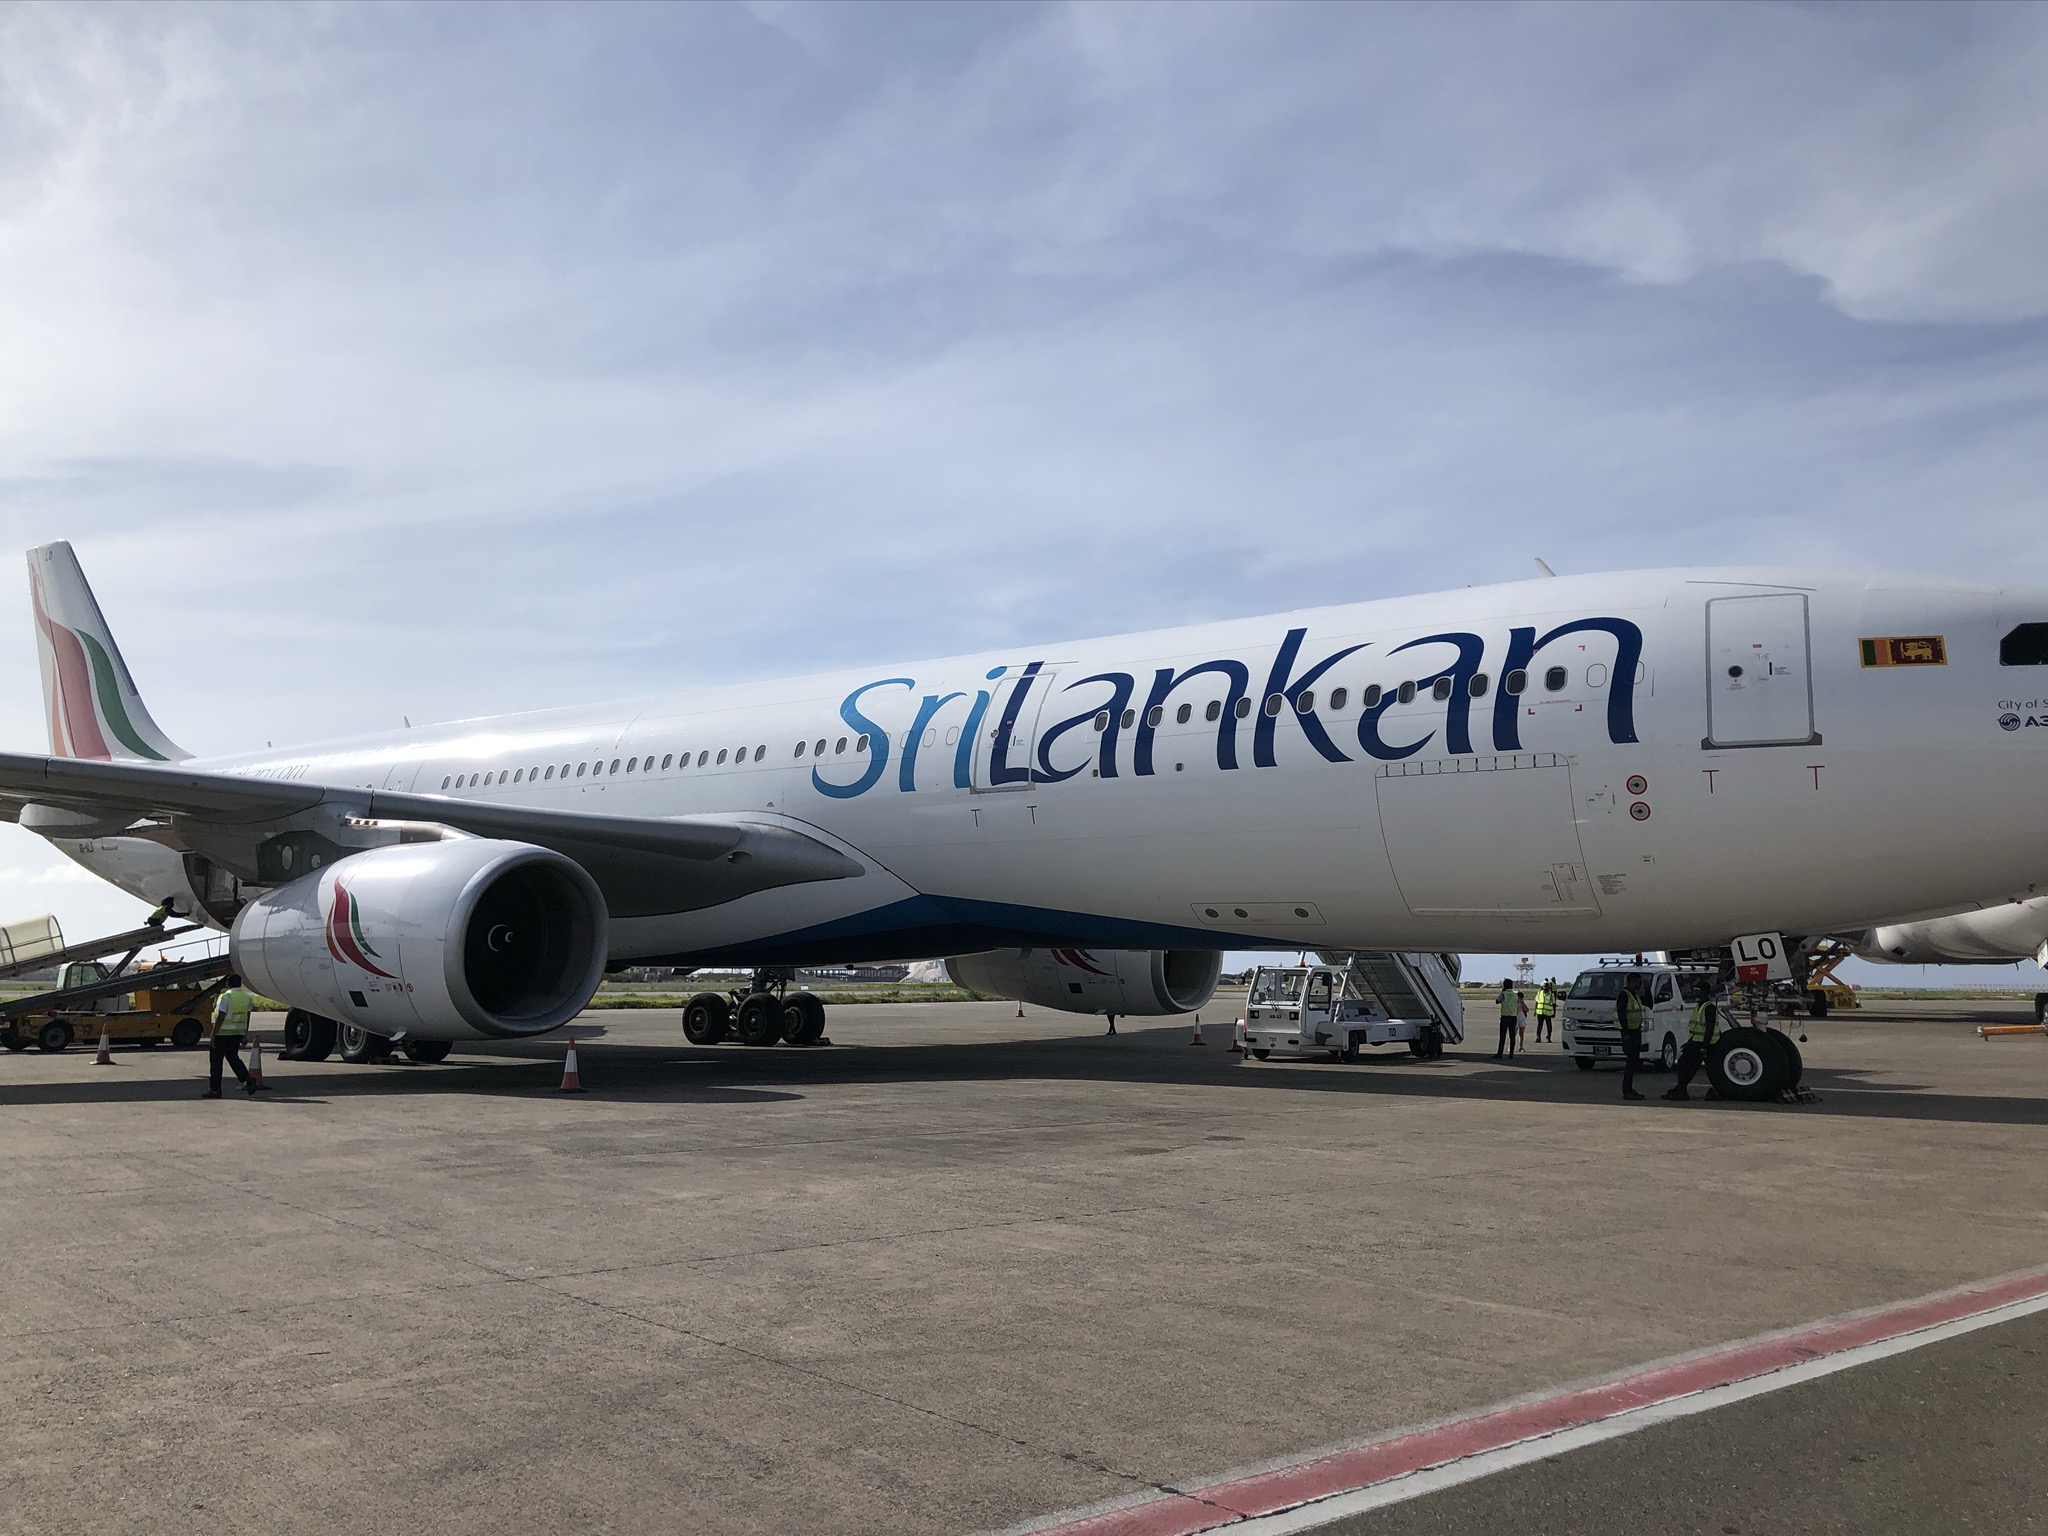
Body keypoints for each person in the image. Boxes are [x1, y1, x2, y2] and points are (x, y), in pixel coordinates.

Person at [204, 973, 266, 1098]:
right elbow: (247, 1016)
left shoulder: (225, 997)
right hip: (237, 1032)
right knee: (233, 1058)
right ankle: (248, 1080)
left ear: (228, 984)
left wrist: (213, 1035)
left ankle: (215, 1090)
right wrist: (244, 1034)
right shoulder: (247, 997)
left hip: (222, 1033)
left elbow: (220, 1017)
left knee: (216, 1063)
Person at [1664, 994, 1722, 1102]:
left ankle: (1681, 1091)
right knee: (1686, 1066)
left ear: (1706, 992)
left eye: (1699, 990)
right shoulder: (1699, 1006)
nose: (1696, 993)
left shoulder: (1709, 1007)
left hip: (1705, 1043)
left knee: (1687, 1066)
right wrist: (1689, 1042)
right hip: (1696, 1041)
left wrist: (1704, 1047)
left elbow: (1709, 1028)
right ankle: (1680, 1089)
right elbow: (1697, 1028)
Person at [1615, 979, 1647, 1100]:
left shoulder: (1635, 996)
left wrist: (1648, 989)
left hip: (1635, 1031)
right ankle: (1627, 1090)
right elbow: (1621, 1014)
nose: (1640, 985)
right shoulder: (1624, 995)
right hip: (1629, 1033)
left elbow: (1649, 1002)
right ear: (1631, 982)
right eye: (1638, 982)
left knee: (1634, 1062)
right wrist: (1625, 1034)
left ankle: (1629, 1089)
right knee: (1631, 1062)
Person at [1494, 978, 1519, 1059]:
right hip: (1513, 1016)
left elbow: (1497, 1001)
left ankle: (1500, 1053)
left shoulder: (1504, 993)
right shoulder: (1515, 994)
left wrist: (1502, 991)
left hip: (1505, 1016)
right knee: (1512, 1036)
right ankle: (1511, 1054)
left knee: (1503, 1036)